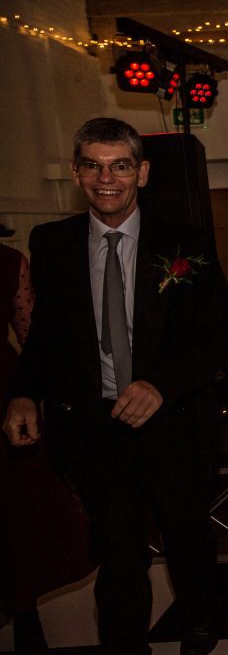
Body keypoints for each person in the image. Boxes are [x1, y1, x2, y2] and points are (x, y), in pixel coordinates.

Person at [2, 118, 228, 655]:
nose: (106, 177)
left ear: (143, 172)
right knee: (118, 552)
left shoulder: (186, 242)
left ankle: (201, 619)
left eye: (120, 165)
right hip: (97, 431)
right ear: (76, 172)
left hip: (174, 424)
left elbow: (219, 330)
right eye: (93, 164)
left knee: (187, 538)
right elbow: (46, 334)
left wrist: (161, 384)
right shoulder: (53, 243)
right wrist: (22, 391)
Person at [0, 243, 94, 652]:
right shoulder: (7, 260)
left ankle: (23, 613)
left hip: (6, 397)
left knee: (14, 512)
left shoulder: (8, 261)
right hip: (5, 387)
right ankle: (24, 615)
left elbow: (33, 336)